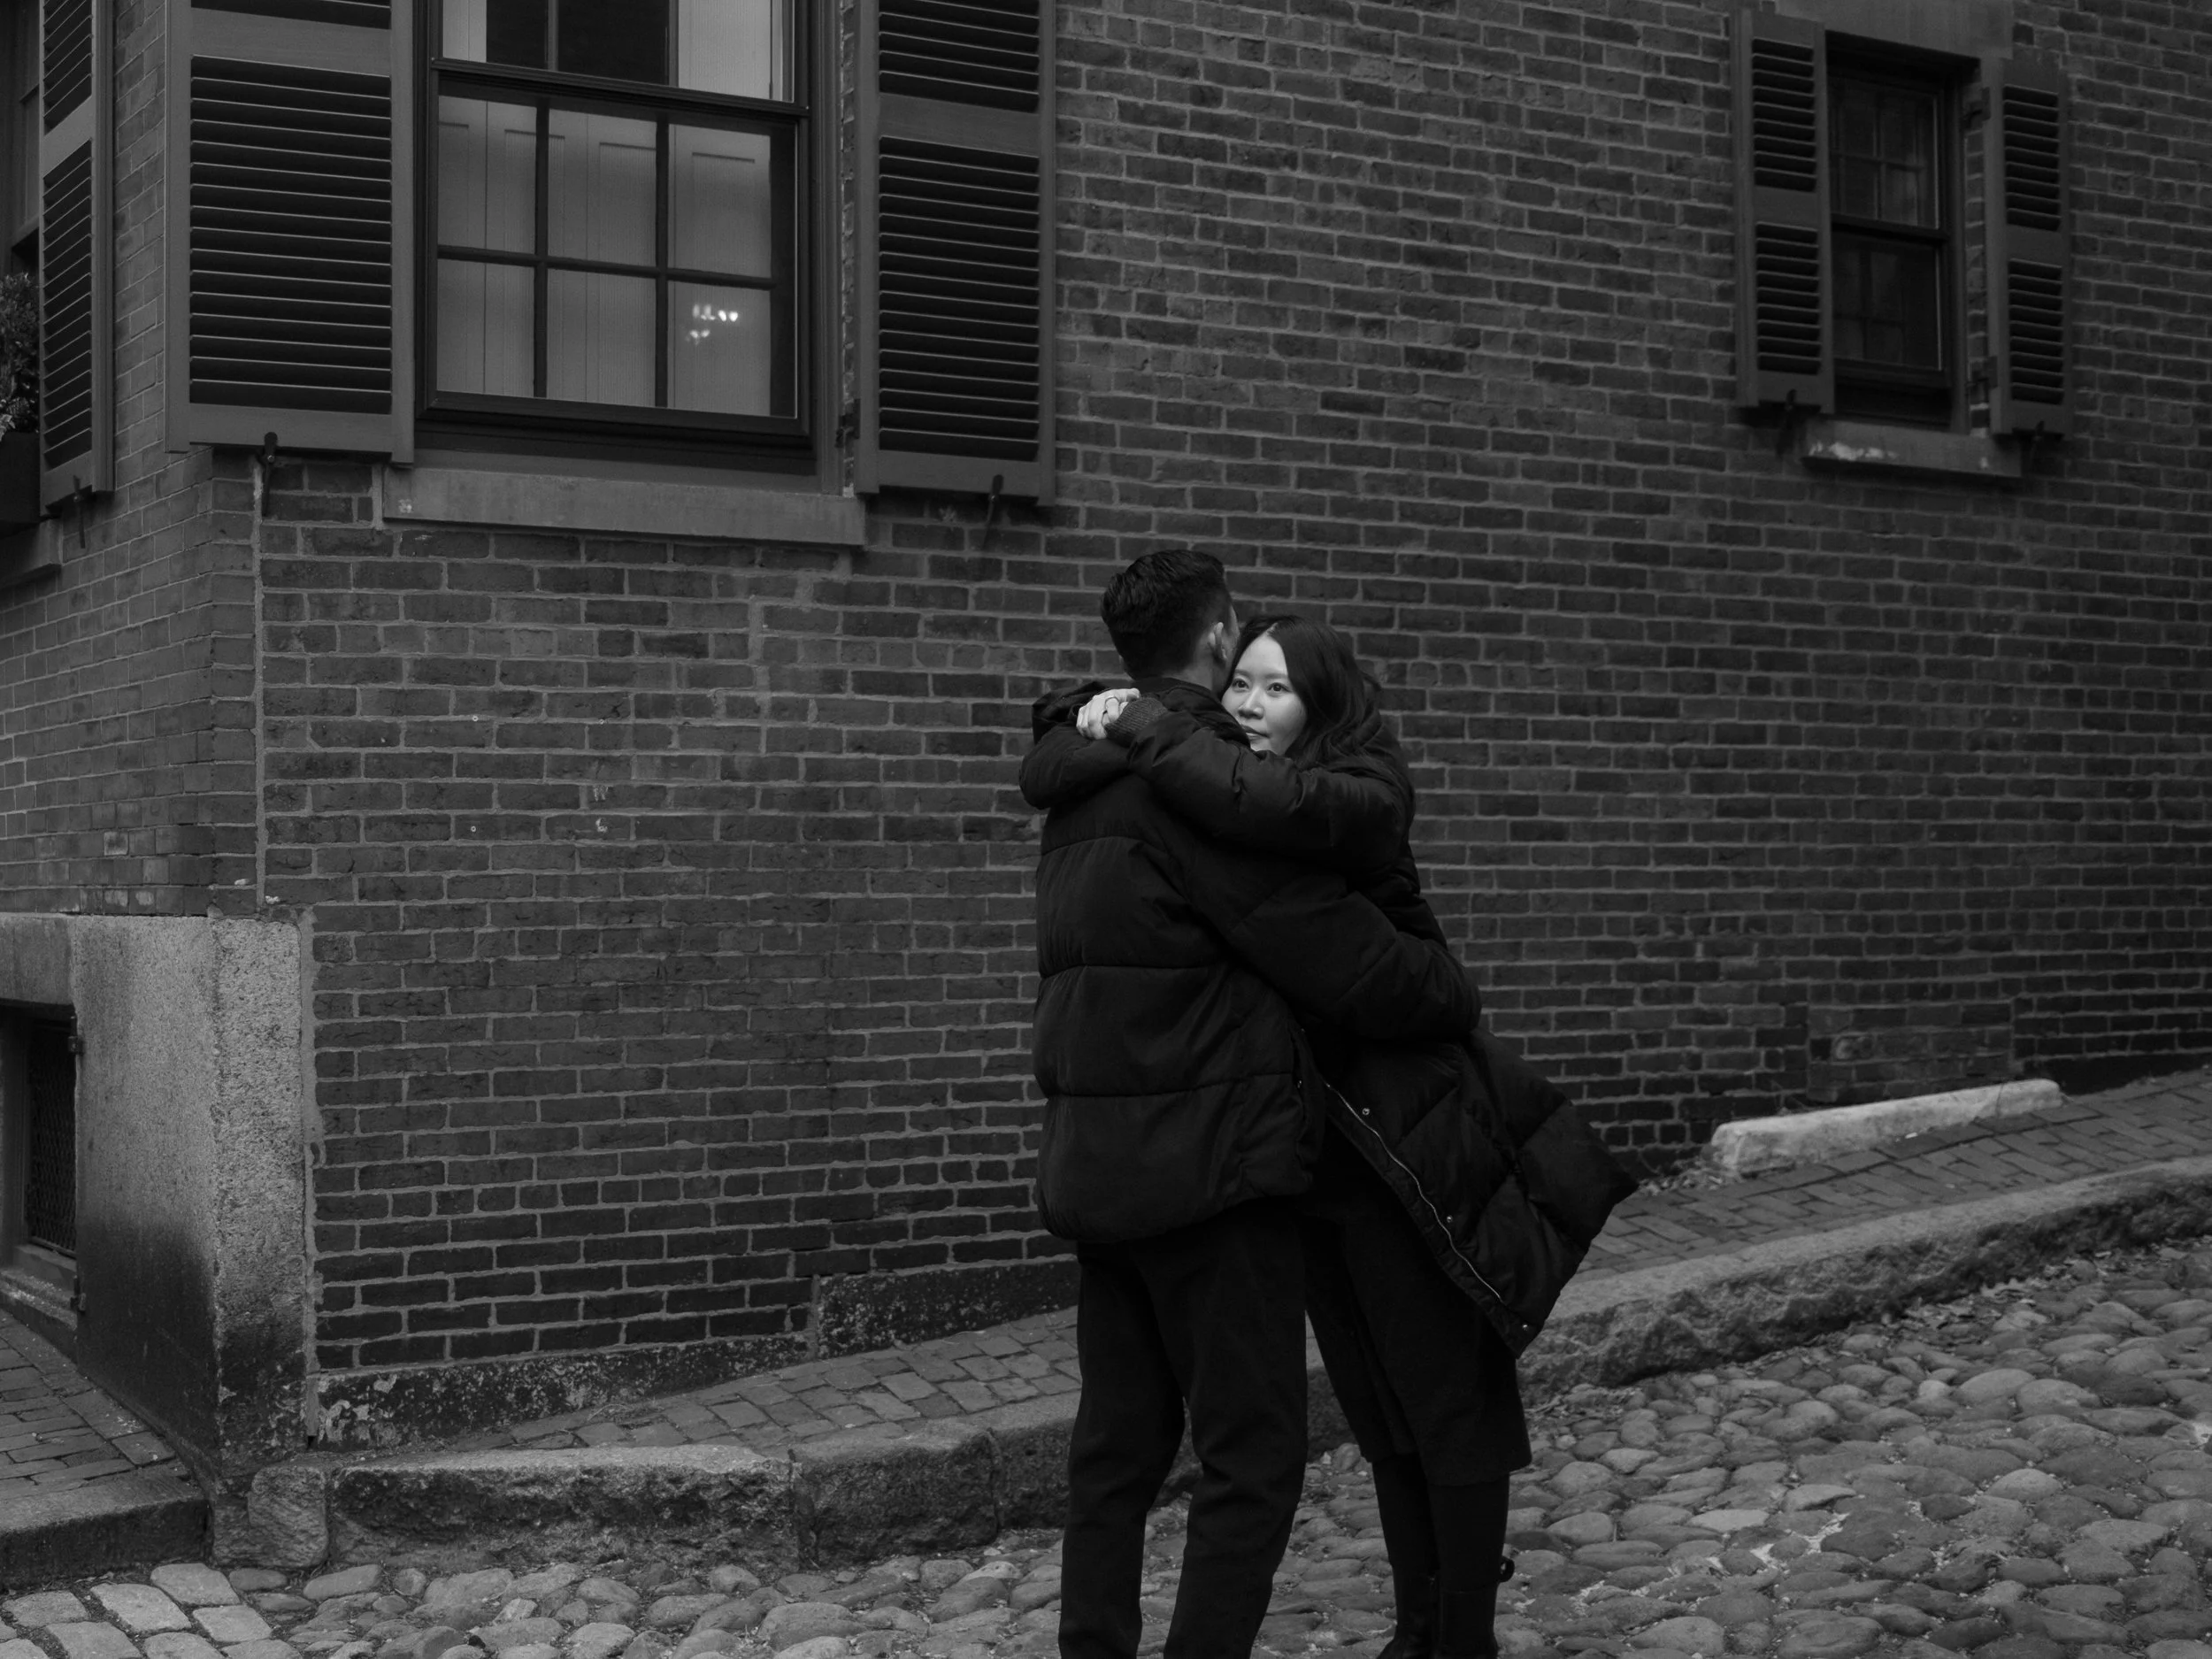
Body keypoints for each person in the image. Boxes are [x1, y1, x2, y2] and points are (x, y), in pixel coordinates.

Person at [1054, 614, 1637, 1659]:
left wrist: (1145, 728)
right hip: (1320, 1157)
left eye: (1273, 689)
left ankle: (1460, 1635)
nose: (1246, 704)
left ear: (1319, 705)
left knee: (1447, 1397)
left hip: (1406, 1138)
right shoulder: (1237, 795)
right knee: (1378, 1403)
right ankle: (1418, 1625)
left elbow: (1390, 970)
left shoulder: (1333, 802)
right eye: (1237, 683)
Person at [1021, 554, 1483, 1659]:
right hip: (1211, 1176)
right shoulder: (1209, 786)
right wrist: (1446, 986)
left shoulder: (1077, 783)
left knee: (1114, 1455)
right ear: (1219, 635)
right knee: (1252, 1456)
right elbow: (1350, 964)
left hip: (1096, 1166)